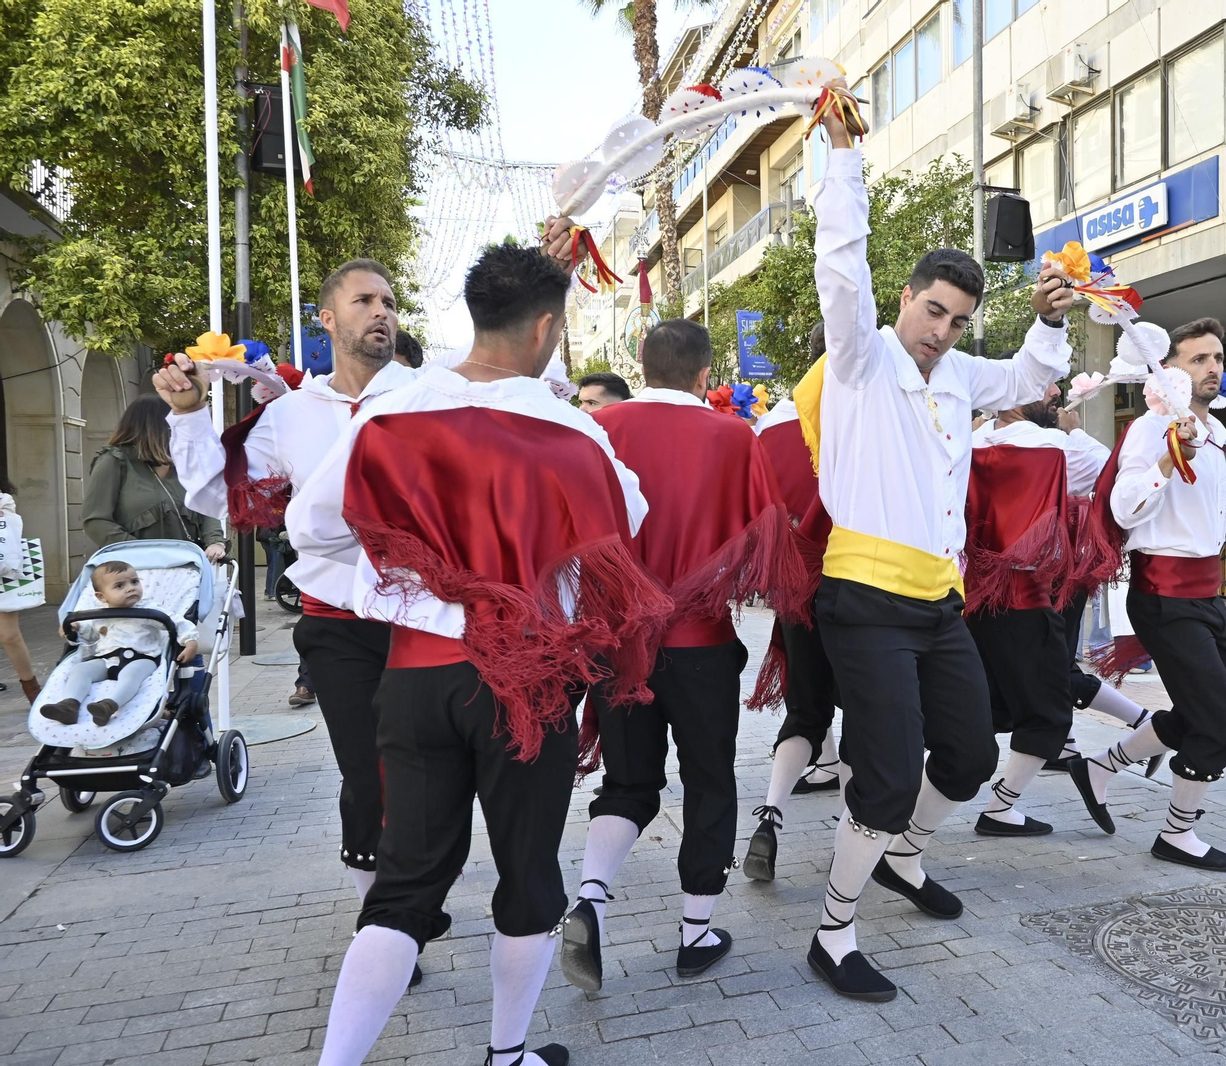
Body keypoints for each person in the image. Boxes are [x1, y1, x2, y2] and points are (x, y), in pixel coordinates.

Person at [299, 238, 666, 1066]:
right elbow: (627, 522)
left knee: (405, 884)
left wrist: (419, 587)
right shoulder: (575, 431)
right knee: (528, 872)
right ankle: (506, 1056)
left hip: (416, 676)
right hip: (528, 685)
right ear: (544, 329)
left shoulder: (390, 413)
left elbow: (311, 531)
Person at [796, 82, 1077, 1002]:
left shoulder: (958, 373)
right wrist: (844, 160)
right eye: (933, 313)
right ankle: (831, 935)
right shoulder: (861, 357)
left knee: (966, 755)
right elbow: (841, 269)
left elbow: (1031, 374)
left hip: (938, 602)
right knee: (882, 770)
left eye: (957, 320)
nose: (942, 333)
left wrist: (1049, 316)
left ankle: (901, 858)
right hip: (864, 599)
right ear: (906, 300)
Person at [156, 258, 419, 924]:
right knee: (366, 772)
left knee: (424, 770)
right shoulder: (293, 413)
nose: (382, 311)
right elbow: (221, 492)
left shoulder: (431, 394)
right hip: (336, 622)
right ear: (328, 319)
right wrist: (188, 417)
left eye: (388, 301)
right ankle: (381, 917)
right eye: (364, 300)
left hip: (427, 618)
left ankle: (417, 890)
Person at [561, 318, 804, 990]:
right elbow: (764, 543)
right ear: (705, 377)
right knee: (709, 779)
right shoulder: (732, 435)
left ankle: (591, 896)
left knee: (629, 783)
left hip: (617, 644)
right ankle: (696, 933)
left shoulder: (598, 427)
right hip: (700, 641)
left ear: (640, 364)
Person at [1071, 316, 1226, 874]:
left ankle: (1101, 767)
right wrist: (1170, 459)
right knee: (1217, 721)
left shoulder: (1215, 428)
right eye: (1198, 359)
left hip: (1205, 595)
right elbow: (1123, 509)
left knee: (1199, 709)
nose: (1212, 368)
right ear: (1169, 369)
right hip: (1164, 593)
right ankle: (1176, 834)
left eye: (1217, 358)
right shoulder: (1152, 428)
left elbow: (1216, 505)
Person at [964, 383, 1157, 835]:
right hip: (1027, 597)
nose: (1057, 391)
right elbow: (1117, 476)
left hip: (974, 594)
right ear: (1013, 395)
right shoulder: (1055, 446)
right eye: (1046, 383)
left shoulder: (972, 441)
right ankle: (997, 808)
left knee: (995, 700)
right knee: (1049, 711)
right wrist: (1075, 431)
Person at [743, 321, 846, 884]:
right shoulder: (862, 408)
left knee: (808, 708)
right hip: (863, 581)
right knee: (867, 710)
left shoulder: (768, 426)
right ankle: (854, 835)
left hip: (796, 586)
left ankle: (772, 812)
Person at [39, 561, 198, 727]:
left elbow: (176, 622)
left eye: (134, 582)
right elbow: (90, 638)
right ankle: (69, 705)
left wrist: (190, 641)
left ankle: (109, 705)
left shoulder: (148, 609)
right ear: (102, 596)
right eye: (120, 586)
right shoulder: (97, 613)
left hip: (141, 658)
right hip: (106, 659)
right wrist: (76, 628)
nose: (130, 588)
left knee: (130, 676)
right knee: (80, 670)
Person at [83, 395, 228, 560]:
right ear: (158, 428)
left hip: (186, 568)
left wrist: (215, 542)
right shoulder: (114, 461)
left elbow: (206, 507)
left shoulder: (184, 464)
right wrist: (139, 551)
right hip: (132, 571)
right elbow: (96, 520)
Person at [0, 477, 41, 703]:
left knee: (9, 635)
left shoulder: (4, 500)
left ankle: (31, 688)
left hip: (2, 571)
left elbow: (10, 529)